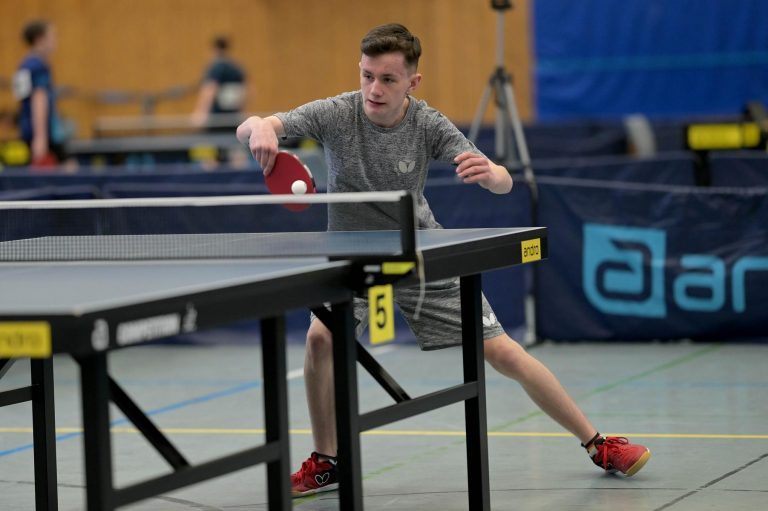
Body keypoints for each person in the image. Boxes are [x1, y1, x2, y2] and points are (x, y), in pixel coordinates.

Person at [237, 23, 651, 497]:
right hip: (353, 258)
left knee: (502, 351)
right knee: (319, 341)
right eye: (367, 75)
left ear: (412, 82)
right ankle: (327, 461)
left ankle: (598, 443)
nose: (374, 89)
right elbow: (251, 126)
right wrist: (261, 128)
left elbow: (503, 182)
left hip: (419, 253)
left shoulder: (427, 124)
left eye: (388, 79)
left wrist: (492, 173)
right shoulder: (336, 112)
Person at [13, 19, 64, 168]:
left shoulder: (24, 64)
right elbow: (38, 98)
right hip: (43, 131)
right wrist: (40, 137)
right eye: (52, 37)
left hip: (27, 128)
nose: (55, 42)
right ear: (40, 40)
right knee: (69, 169)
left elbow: (21, 98)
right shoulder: (39, 66)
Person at [192, 35, 246, 130]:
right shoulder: (236, 67)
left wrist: (201, 113)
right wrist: (242, 112)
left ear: (215, 49)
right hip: (233, 118)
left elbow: (210, 89)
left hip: (217, 119)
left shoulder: (216, 67)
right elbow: (246, 91)